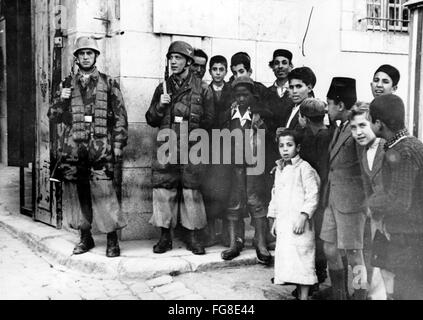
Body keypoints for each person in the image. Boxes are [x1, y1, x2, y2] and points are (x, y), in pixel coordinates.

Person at [48, 36, 128, 258]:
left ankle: (112, 239)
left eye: (89, 53)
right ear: (76, 57)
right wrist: (61, 101)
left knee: (105, 193)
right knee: (79, 193)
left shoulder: (109, 83)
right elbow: (53, 117)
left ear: (96, 56)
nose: (85, 57)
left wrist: (119, 145)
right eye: (81, 53)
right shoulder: (65, 84)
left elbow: (121, 117)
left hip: (101, 148)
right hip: (75, 149)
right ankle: (85, 237)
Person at [145, 41, 214, 256]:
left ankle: (193, 237)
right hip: (167, 145)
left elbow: (211, 121)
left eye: (178, 58)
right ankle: (165, 237)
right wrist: (160, 105)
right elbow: (151, 119)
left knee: (191, 191)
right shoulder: (162, 87)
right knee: (164, 190)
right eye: (171, 58)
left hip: (192, 146)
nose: (173, 62)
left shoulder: (203, 88)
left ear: (188, 62)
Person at [368, 94, 423, 300]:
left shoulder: (404, 151)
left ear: (379, 123)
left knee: (407, 292)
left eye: (369, 119)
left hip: (410, 238)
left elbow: (400, 202)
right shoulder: (405, 145)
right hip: (408, 235)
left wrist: (373, 206)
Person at [320, 77, 368, 300]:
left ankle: (360, 293)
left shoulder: (357, 130)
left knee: (354, 254)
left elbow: (368, 169)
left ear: (339, 105)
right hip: (333, 199)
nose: (326, 108)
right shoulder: (340, 127)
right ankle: (339, 294)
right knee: (330, 248)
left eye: (329, 103)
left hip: (351, 203)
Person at [220, 76, 271, 265]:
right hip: (234, 168)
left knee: (255, 201)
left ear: (252, 95)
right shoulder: (228, 115)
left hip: (254, 166)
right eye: (238, 95)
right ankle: (235, 243)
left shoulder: (259, 116)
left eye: (245, 95)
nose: (241, 99)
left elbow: (268, 139)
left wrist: (262, 126)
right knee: (234, 202)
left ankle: (261, 242)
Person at [268, 129, 320, 300]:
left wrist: (304, 215)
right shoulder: (279, 169)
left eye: (289, 145)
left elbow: (312, 194)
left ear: (297, 147)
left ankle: (304, 296)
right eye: (281, 146)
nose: (285, 149)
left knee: (303, 259)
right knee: (290, 258)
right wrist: (274, 219)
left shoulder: (304, 168)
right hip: (285, 222)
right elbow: (275, 195)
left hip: (300, 223)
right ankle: (298, 292)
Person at [349, 102, 390, 299]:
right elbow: (367, 183)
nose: (358, 132)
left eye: (363, 125)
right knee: (374, 256)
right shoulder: (362, 149)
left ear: (374, 124)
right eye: (354, 127)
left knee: (388, 265)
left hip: (392, 216)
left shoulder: (386, 148)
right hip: (375, 213)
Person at [298, 98, 332, 291]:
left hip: (317, 193)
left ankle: (317, 275)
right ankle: (317, 273)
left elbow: (319, 168)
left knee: (316, 236)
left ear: (304, 118)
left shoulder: (317, 137)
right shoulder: (322, 133)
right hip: (321, 192)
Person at [201, 55, 233, 247]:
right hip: (208, 143)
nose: (218, 73)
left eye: (222, 69)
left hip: (227, 144)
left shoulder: (231, 91)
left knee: (225, 187)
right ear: (210, 71)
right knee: (209, 188)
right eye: (215, 70)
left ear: (226, 71)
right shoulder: (205, 90)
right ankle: (211, 232)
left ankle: (226, 233)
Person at [267, 49, 295, 128]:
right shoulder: (266, 92)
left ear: (290, 67)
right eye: (276, 63)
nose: (280, 66)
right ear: (272, 67)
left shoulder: (297, 92)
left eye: (284, 63)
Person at [284, 67, 317, 131]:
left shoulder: (314, 110)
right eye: (291, 87)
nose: (294, 91)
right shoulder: (290, 107)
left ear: (309, 88)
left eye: (298, 86)